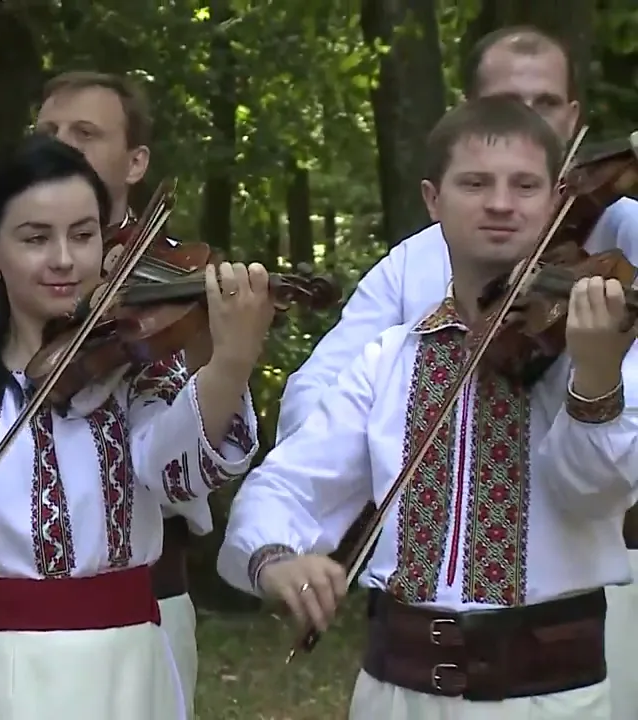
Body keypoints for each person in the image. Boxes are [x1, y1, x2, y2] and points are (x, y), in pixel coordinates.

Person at [0, 134, 269, 719]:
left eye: (84, 235)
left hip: (126, 670)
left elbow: (176, 474)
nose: (65, 259)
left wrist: (229, 366)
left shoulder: (137, 372)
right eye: (36, 238)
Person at [220, 96, 632, 718]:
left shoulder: (601, 347)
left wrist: (596, 376)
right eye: (475, 183)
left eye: (525, 185)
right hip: (397, 696)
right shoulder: (389, 358)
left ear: (555, 202)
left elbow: (592, 494)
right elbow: (285, 485)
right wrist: (276, 558)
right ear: (433, 200)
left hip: (554, 700)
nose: (500, 202)